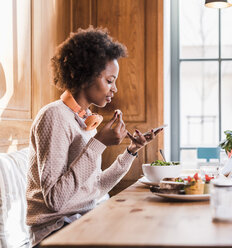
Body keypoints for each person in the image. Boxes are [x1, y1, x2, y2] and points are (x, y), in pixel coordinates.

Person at [26, 26, 163, 247]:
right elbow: (55, 200)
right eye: (110, 81)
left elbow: (95, 187)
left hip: (83, 220)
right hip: (56, 232)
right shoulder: (54, 116)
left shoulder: (85, 120)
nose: (115, 89)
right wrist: (98, 143)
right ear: (86, 75)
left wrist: (131, 151)